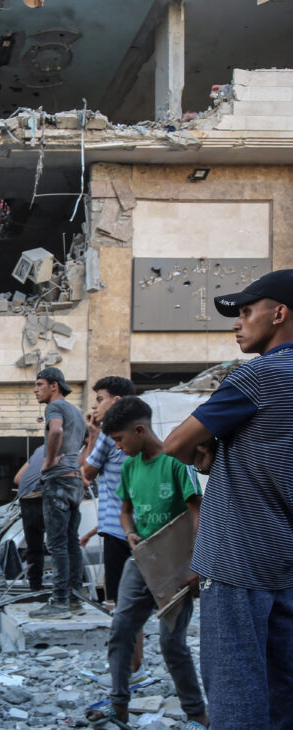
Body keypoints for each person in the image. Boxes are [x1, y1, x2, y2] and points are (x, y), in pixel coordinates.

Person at [164, 268, 293, 728]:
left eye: (246, 312)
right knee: (283, 694)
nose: (237, 323)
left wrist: (209, 457)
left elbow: (175, 444)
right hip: (285, 560)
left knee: (236, 694)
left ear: (279, 314)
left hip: (237, 560)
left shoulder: (257, 375)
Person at [85, 397, 207, 727]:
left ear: (139, 430)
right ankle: (119, 704)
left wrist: (197, 565)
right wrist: (129, 533)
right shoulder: (129, 467)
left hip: (176, 566)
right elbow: (125, 512)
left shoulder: (176, 463)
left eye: (120, 440)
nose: (118, 447)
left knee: (172, 643)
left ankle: (197, 714)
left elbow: (198, 513)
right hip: (141, 560)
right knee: (121, 629)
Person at [29, 367, 86, 619]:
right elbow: (90, 439)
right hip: (75, 481)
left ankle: (60, 601)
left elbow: (56, 431)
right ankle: (75, 599)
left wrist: (49, 461)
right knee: (72, 542)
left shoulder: (54, 408)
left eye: (39, 384)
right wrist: (75, 464)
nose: (35, 390)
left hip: (58, 482)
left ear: (54, 386)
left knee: (57, 543)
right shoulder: (77, 412)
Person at [79, 376, 138, 609]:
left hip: (117, 531)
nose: (94, 406)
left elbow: (87, 474)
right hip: (140, 526)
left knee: (118, 601)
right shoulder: (138, 430)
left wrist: (94, 434)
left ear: (116, 402)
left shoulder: (109, 433)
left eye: (99, 399)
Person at [13, 444, 46, 592]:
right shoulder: (68, 448)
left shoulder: (39, 449)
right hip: (45, 496)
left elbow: (18, 478)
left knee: (34, 547)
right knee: (60, 544)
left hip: (26, 499)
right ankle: (63, 591)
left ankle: (35, 588)